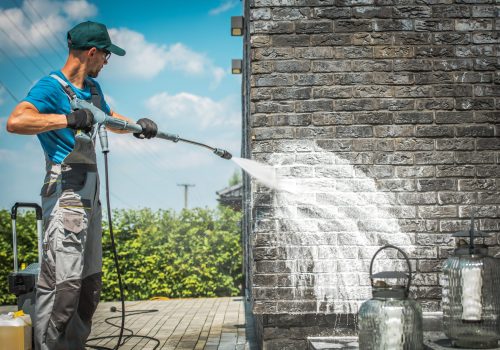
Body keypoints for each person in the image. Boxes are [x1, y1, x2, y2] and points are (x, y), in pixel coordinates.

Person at [6, 21, 158, 350]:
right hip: (67, 194)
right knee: (63, 283)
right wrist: (67, 119)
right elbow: (16, 121)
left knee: (88, 283)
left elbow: (106, 116)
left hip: (91, 192)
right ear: (91, 52)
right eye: (106, 55)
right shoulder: (50, 88)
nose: (107, 61)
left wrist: (135, 127)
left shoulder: (92, 89)